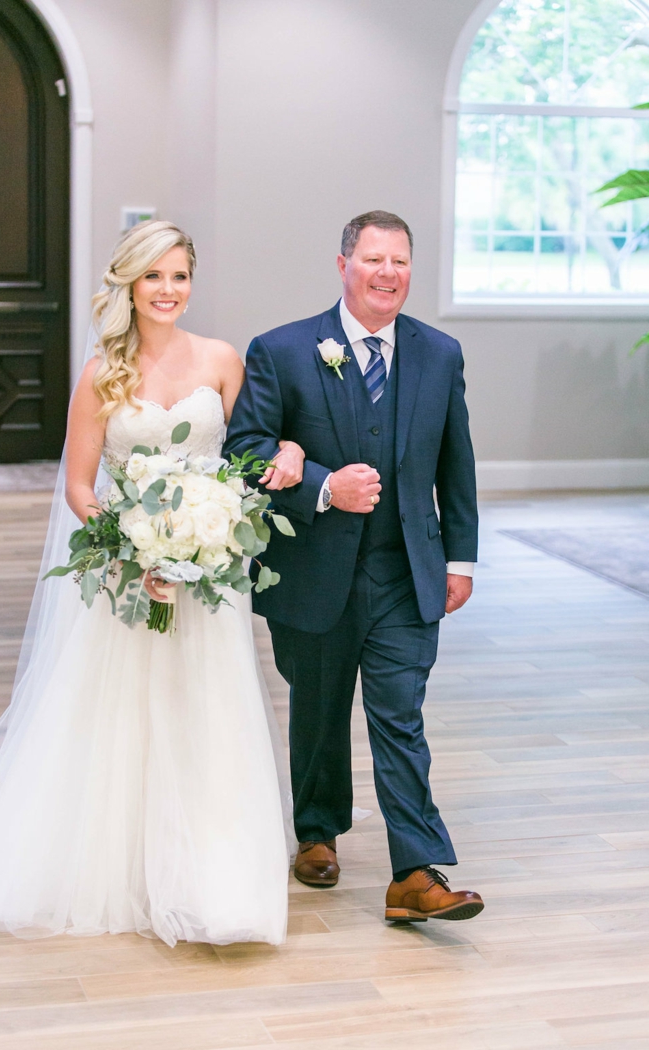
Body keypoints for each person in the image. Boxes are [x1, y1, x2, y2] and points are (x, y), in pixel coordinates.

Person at [0, 220, 301, 946]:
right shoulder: (102, 372)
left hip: (210, 573)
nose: (168, 290)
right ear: (129, 285)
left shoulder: (223, 360)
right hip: (131, 571)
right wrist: (131, 542)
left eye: (179, 276)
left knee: (209, 705)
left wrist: (286, 454)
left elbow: (256, 448)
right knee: (122, 713)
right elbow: (79, 485)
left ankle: (216, 872)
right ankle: (121, 858)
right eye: (153, 277)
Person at [224, 210, 484, 924]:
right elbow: (241, 455)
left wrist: (460, 557)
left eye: (400, 261)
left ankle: (415, 870)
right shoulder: (282, 350)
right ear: (343, 265)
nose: (388, 273)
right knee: (318, 707)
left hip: (406, 570)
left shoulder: (440, 353)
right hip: (312, 568)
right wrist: (320, 489)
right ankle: (316, 831)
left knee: (400, 713)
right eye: (373, 259)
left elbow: (455, 463)